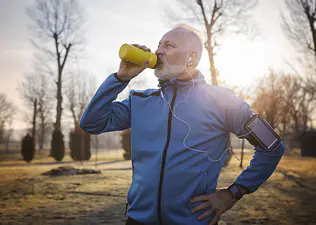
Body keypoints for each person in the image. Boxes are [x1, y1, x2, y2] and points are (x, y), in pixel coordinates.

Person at [80, 25, 285, 225]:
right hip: (137, 220)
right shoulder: (140, 100)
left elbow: (272, 146)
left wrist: (233, 193)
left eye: (169, 45)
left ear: (192, 57)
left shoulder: (222, 100)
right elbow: (91, 122)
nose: (159, 51)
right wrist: (120, 78)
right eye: (159, 45)